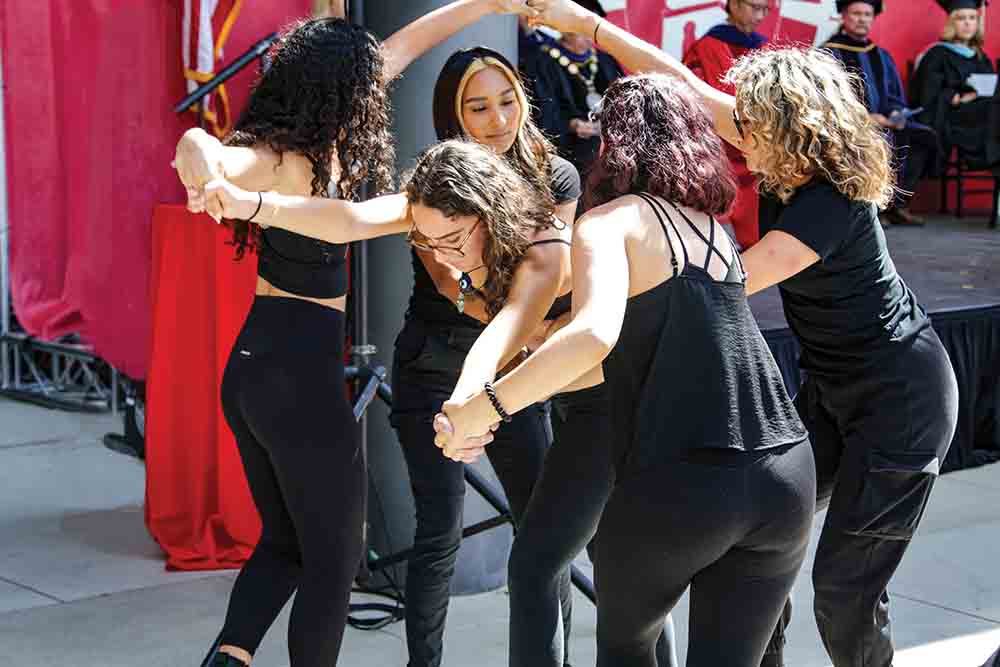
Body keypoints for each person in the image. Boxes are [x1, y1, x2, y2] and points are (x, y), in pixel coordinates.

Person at [516, 3, 960, 666]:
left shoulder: (830, 201)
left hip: (902, 399)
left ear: (788, 127)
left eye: (748, 122)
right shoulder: (792, 152)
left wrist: (563, 320)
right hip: (837, 391)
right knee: (762, 543)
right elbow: (682, 84)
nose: (734, 133)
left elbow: (713, 281)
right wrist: (590, 26)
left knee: (842, 590)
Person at [170, 4, 538, 665]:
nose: (377, 85)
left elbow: (406, 45)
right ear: (337, 87)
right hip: (295, 383)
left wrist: (487, 5)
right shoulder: (281, 156)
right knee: (336, 560)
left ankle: (228, 658)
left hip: (256, 372)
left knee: (287, 545)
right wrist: (201, 159)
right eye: (363, 80)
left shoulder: (324, 140)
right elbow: (214, 152)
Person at [433, 70, 817, 667]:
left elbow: (593, 335)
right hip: (786, 474)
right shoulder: (714, 233)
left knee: (626, 645)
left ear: (613, 143)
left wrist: (484, 408)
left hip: (688, 480)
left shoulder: (610, 221)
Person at [394, 46, 676, 667]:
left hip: (530, 372)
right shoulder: (435, 184)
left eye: (506, 100)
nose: (497, 118)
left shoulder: (558, 177)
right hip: (439, 361)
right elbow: (455, 287)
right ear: (452, 116)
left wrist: (532, 340)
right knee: (440, 530)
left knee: (548, 537)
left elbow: (545, 288)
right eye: (477, 107)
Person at [824, 0, 938, 227]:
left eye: (867, 14)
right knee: (878, 137)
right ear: (843, 16)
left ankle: (898, 205)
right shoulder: (828, 53)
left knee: (924, 137)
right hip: (849, 125)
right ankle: (872, 208)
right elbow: (827, 100)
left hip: (886, 122)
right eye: (856, 13)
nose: (862, 19)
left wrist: (896, 113)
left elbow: (894, 95)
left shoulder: (880, 55)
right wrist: (864, 118)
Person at [682, 0, 769, 248]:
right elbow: (695, 99)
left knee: (756, 237)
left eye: (765, 9)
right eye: (755, 7)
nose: (760, 15)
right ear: (733, 4)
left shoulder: (762, 47)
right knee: (704, 233)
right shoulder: (708, 46)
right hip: (719, 154)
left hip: (755, 152)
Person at [523, 0, 623, 179]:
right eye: (577, 24)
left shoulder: (605, 61)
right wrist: (570, 125)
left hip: (608, 157)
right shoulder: (541, 62)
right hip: (568, 158)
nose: (584, 31)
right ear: (563, 25)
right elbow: (540, 114)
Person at [910, 0, 999, 171]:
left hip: (983, 117)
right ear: (952, 23)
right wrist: (955, 97)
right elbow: (926, 95)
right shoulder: (937, 54)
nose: (967, 23)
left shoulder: (981, 57)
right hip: (955, 121)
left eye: (972, 18)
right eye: (961, 18)